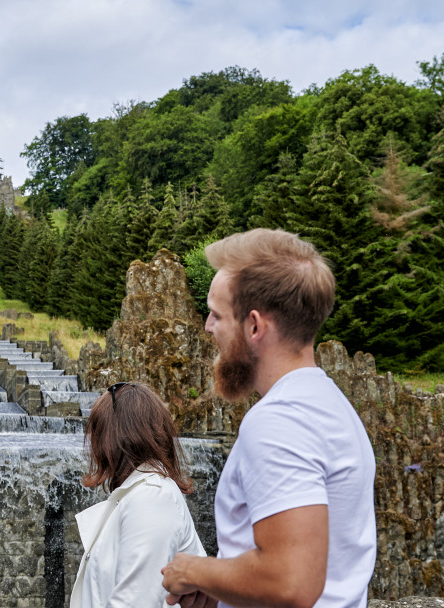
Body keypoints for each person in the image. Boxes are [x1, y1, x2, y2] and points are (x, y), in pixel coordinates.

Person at [161, 228, 376, 608]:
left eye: (215, 315)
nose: (207, 328)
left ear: (255, 326)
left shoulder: (279, 421)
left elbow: (292, 581)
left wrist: (193, 571)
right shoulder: (330, 403)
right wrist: (223, 590)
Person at [70, 381, 206, 608]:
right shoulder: (139, 494)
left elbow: (135, 601)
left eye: (97, 431)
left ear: (112, 438)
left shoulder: (152, 496)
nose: (92, 442)